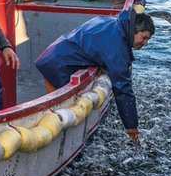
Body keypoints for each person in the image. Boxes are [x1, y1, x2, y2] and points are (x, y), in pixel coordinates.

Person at [34, 8, 154, 143]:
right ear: (134, 31)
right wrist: (131, 126)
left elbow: (96, 43)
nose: (145, 44)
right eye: (144, 38)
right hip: (57, 66)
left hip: (53, 53)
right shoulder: (117, 50)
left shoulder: (112, 22)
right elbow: (123, 89)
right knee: (60, 113)